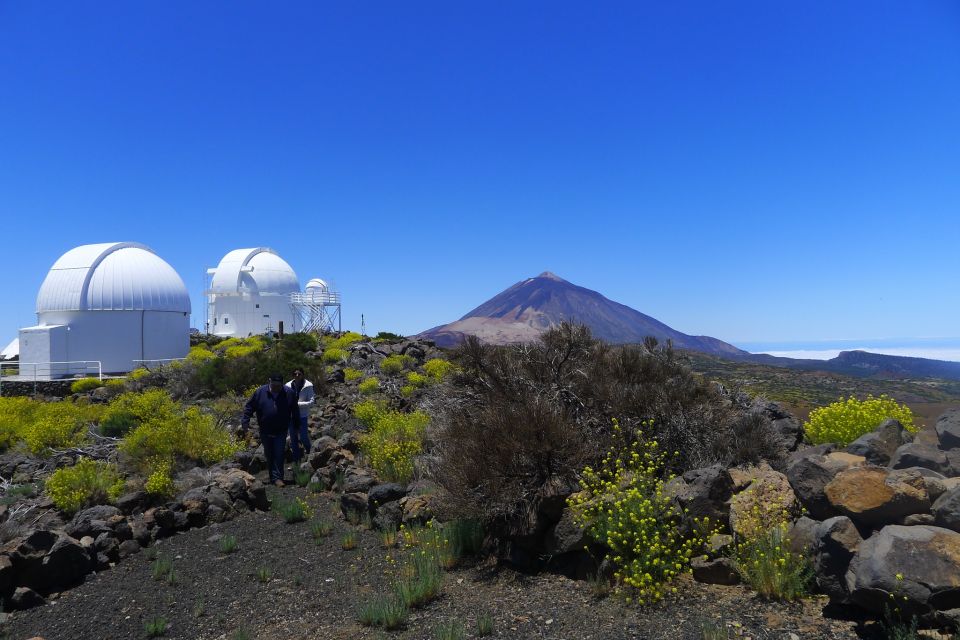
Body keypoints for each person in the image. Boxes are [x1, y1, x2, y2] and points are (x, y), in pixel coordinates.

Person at [241, 373, 300, 487]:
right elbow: (249, 407)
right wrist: (245, 422)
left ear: (282, 384)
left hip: (281, 430)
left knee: (279, 453)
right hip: (265, 430)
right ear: (269, 382)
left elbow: (295, 410)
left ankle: (278, 478)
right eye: (274, 385)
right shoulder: (260, 392)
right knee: (269, 454)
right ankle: (272, 476)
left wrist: (296, 425)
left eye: (279, 385)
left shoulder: (289, 393)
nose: (276, 388)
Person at [286, 367, 315, 465]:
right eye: (295, 374)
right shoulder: (288, 386)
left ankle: (310, 452)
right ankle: (296, 460)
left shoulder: (308, 386)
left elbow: (311, 402)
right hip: (291, 416)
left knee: (303, 437)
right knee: (293, 438)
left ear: (303, 375)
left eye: (299, 374)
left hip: (302, 415)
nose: (297, 376)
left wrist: (297, 404)